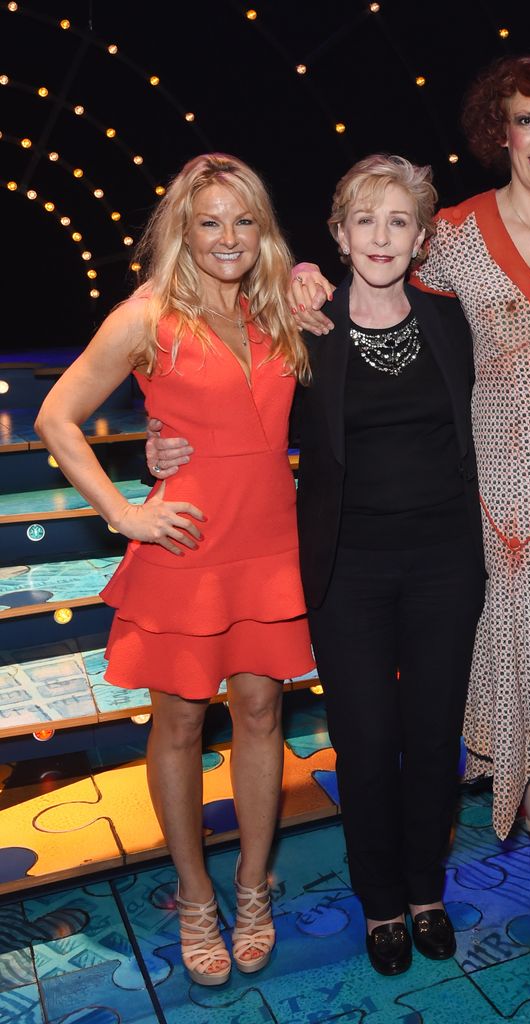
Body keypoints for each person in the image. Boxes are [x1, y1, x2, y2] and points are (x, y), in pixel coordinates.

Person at [290, 55, 530, 961]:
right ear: (497, 130)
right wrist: (298, 276)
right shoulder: (453, 236)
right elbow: (369, 259)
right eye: (524, 121)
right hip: (511, 514)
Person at [148, 154, 486, 978]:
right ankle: (379, 903)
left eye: (398, 221)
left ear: (420, 237)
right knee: (364, 742)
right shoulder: (298, 326)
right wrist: (165, 452)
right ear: (336, 235)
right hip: (345, 572)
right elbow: (227, 407)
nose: (381, 236)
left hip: (446, 565)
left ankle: (425, 893)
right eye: (363, 221)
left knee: (432, 734)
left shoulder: (451, 318)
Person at [35, 153, 314, 986]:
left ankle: (253, 886)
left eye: (243, 220)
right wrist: (125, 511)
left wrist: (307, 277)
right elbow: (57, 416)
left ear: (260, 228)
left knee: (263, 715)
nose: (227, 237)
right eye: (208, 221)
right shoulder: (148, 314)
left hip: (269, 543)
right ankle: (196, 894)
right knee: (182, 724)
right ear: (182, 231)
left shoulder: (278, 307)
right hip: (186, 547)